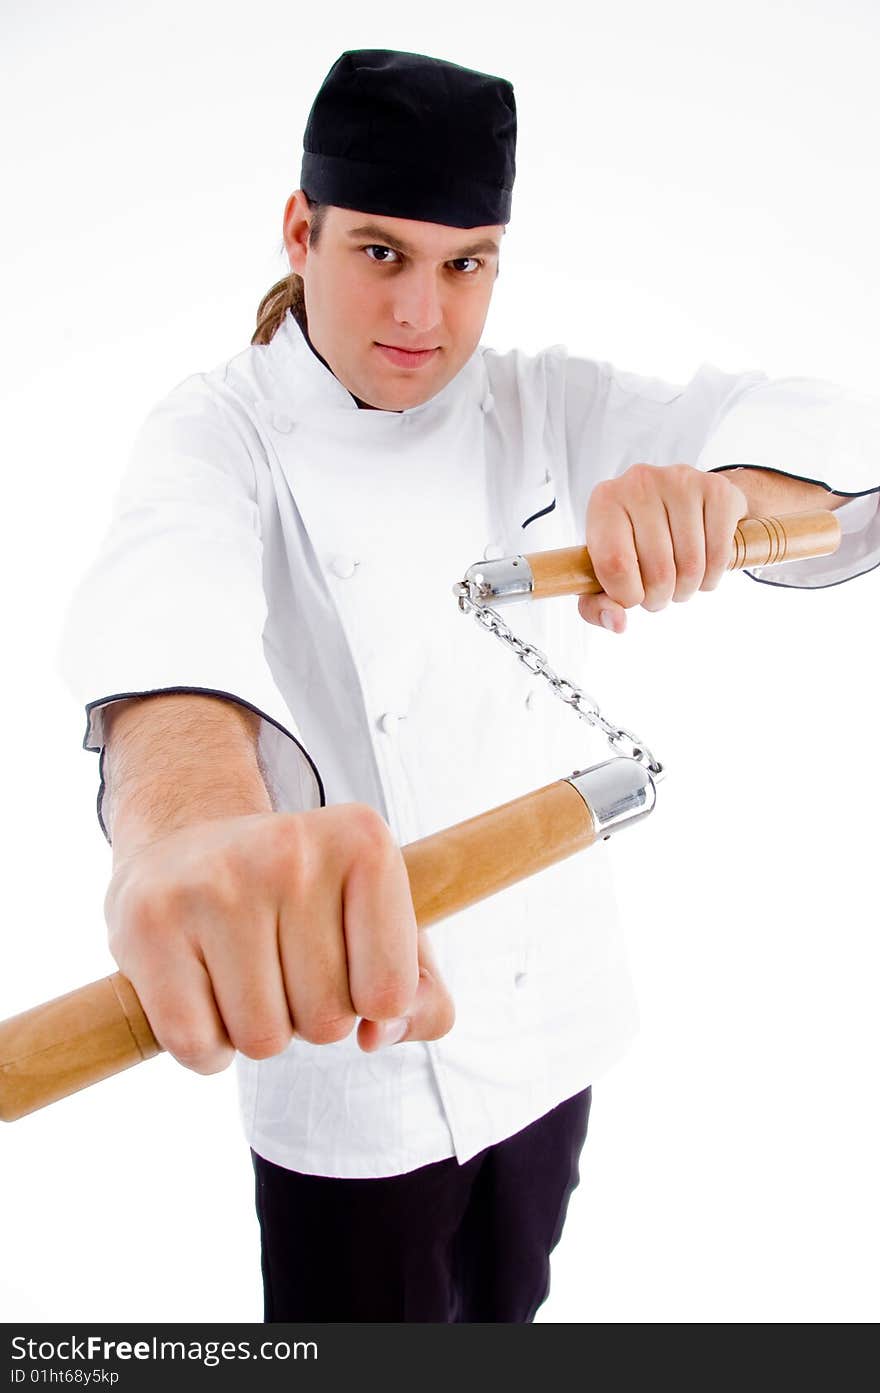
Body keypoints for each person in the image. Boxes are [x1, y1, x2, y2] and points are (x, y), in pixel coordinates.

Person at [57, 49, 880, 1323]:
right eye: (382, 253)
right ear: (301, 230)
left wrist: (721, 500)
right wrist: (188, 821)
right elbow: (164, 605)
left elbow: (829, 431)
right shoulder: (215, 432)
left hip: (551, 1019)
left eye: (466, 263)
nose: (422, 316)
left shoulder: (543, 403)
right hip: (355, 1056)